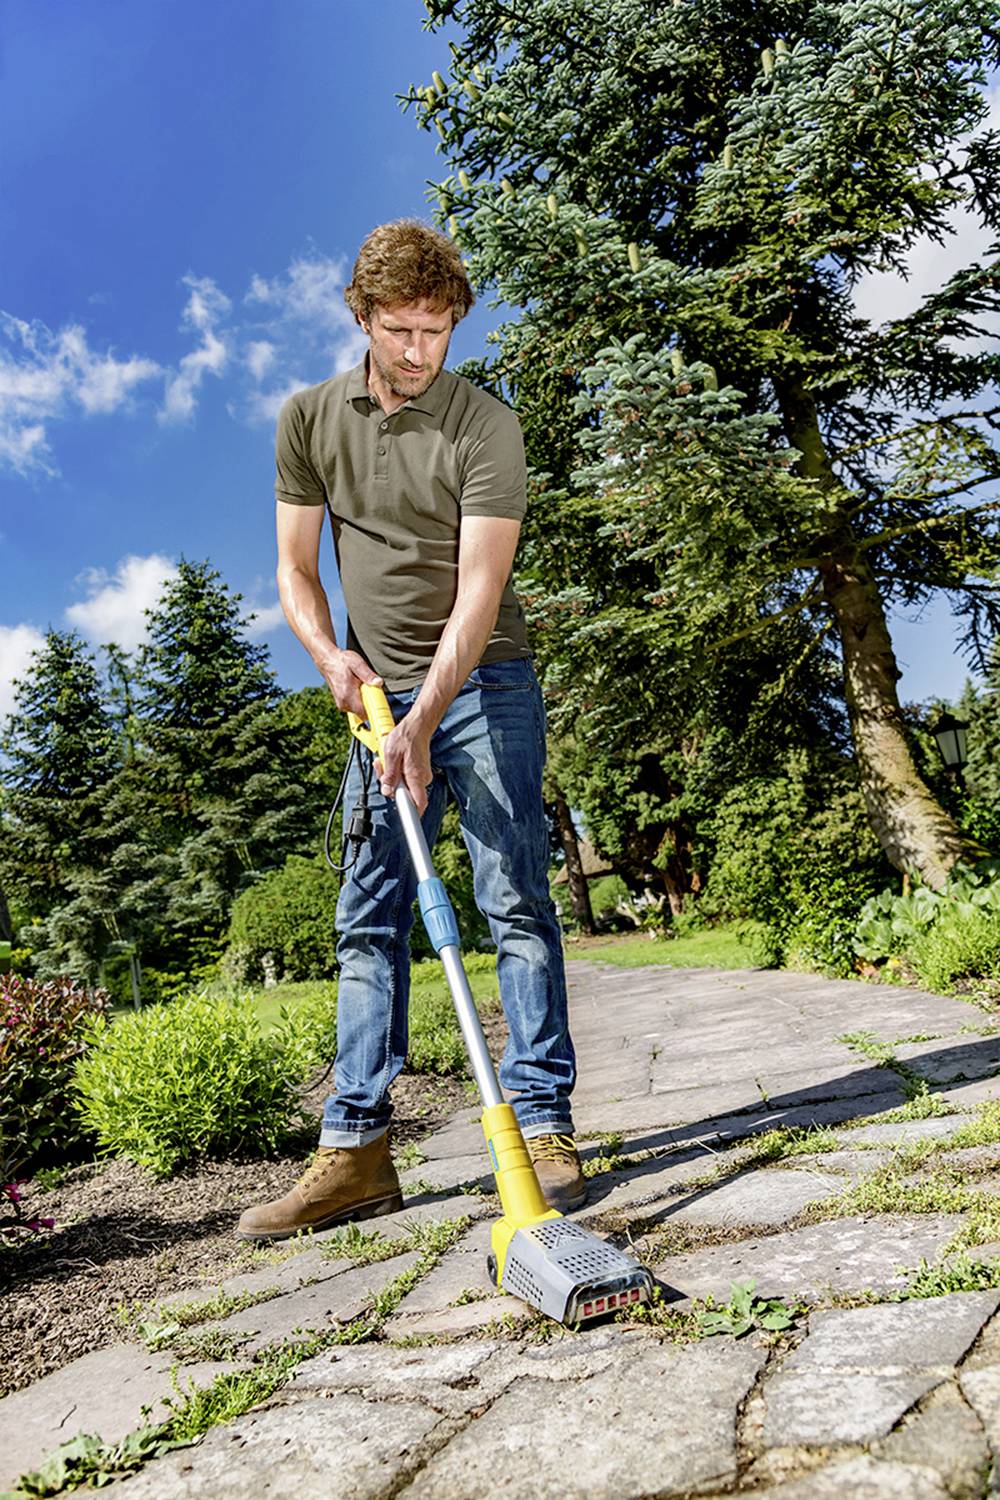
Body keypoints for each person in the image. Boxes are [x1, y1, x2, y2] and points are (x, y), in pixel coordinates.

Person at [237, 220, 583, 1242]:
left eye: (438, 331)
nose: (420, 351)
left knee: (514, 898)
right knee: (368, 916)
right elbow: (296, 570)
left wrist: (426, 718)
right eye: (400, 330)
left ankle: (544, 1125)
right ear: (362, 318)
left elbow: (481, 591)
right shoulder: (309, 419)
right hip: (376, 701)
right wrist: (330, 660)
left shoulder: (485, 425)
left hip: (485, 684)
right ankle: (355, 1151)